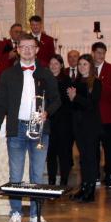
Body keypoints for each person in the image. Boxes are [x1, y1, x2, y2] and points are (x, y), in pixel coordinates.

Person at [0, 34, 61, 222]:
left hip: (39, 130)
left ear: (37, 50)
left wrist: (47, 112)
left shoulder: (46, 73)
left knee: (37, 175)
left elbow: (57, 100)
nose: (27, 50)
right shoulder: (7, 74)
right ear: (17, 49)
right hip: (16, 129)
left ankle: (35, 215)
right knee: (15, 174)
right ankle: (15, 214)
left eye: (31, 46)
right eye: (23, 47)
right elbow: (1, 104)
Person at [68, 54, 102, 203]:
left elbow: (92, 104)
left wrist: (75, 97)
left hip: (91, 125)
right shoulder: (76, 81)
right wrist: (71, 99)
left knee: (90, 158)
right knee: (83, 158)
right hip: (78, 124)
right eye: (80, 64)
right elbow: (73, 105)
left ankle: (91, 191)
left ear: (91, 66)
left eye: (85, 64)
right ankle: (84, 187)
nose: (81, 67)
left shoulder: (96, 82)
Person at [92, 42, 111, 188]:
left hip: (108, 116)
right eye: (98, 52)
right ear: (93, 53)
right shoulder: (87, 67)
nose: (101, 55)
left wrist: (98, 85)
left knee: (110, 149)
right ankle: (95, 175)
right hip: (92, 117)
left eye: (103, 53)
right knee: (93, 148)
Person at [45, 54, 74, 187]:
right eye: (51, 63)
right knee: (50, 152)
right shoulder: (45, 79)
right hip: (49, 121)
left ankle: (64, 180)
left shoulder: (67, 80)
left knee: (64, 152)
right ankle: (51, 180)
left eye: (56, 63)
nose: (53, 66)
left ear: (61, 65)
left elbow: (68, 102)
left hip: (64, 121)